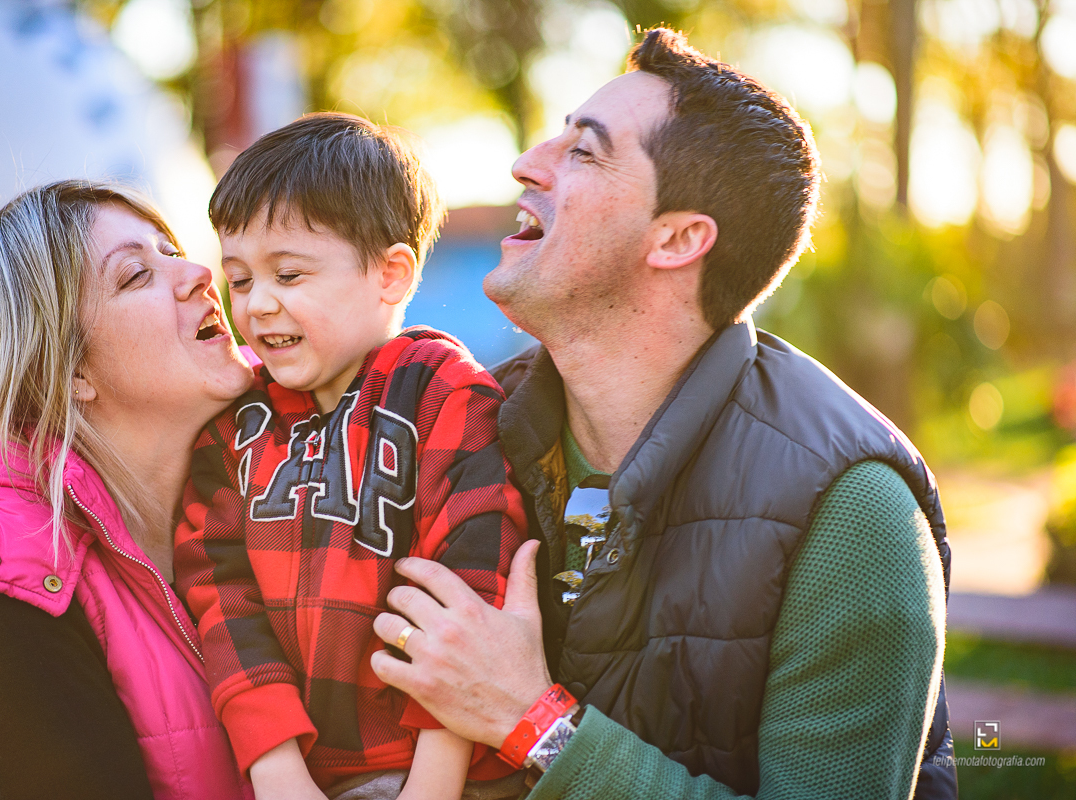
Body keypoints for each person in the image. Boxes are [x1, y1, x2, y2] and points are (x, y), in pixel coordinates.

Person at [369, 28, 957, 800]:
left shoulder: (852, 512)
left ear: (677, 239)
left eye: (584, 152)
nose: (526, 164)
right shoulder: (455, 425)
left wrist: (534, 723)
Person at [172, 113, 529, 800]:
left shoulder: (439, 391)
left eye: (289, 274)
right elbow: (222, 600)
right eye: (239, 280)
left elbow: (471, 579)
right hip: (297, 775)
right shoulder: (238, 424)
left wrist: (436, 779)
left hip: (444, 769)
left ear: (390, 274)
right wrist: (277, 770)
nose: (258, 305)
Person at [0, 180, 257, 800]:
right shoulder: (10, 577)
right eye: (135, 275)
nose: (198, 273)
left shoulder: (298, 460)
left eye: (171, 249)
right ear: (69, 373)